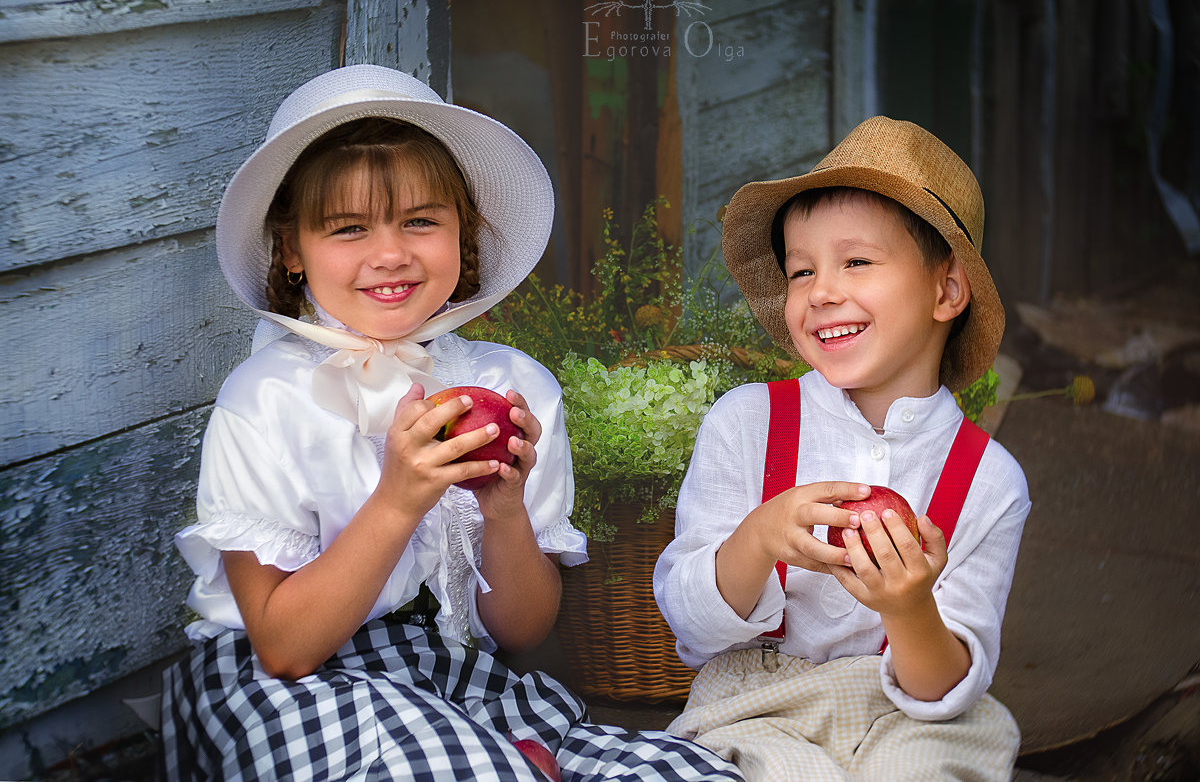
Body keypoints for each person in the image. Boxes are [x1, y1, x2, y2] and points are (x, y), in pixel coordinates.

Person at [162, 64, 743, 782]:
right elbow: (285, 647)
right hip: (289, 684)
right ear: (291, 250)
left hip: (458, 672)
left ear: (463, 233)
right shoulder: (265, 400)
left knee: (687, 774)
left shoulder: (511, 383)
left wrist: (501, 509)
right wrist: (401, 498)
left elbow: (522, 633)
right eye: (348, 228)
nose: (391, 254)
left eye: (421, 221)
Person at [654, 116, 1031, 780]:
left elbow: (943, 690)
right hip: (757, 705)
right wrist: (760, 537)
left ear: (947, 290)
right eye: (801, 271)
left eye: (855, 261)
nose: (821, 291)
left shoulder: (987, 481)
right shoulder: (747, 424)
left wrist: (908, 606)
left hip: (907, 719)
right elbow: (691, 626)